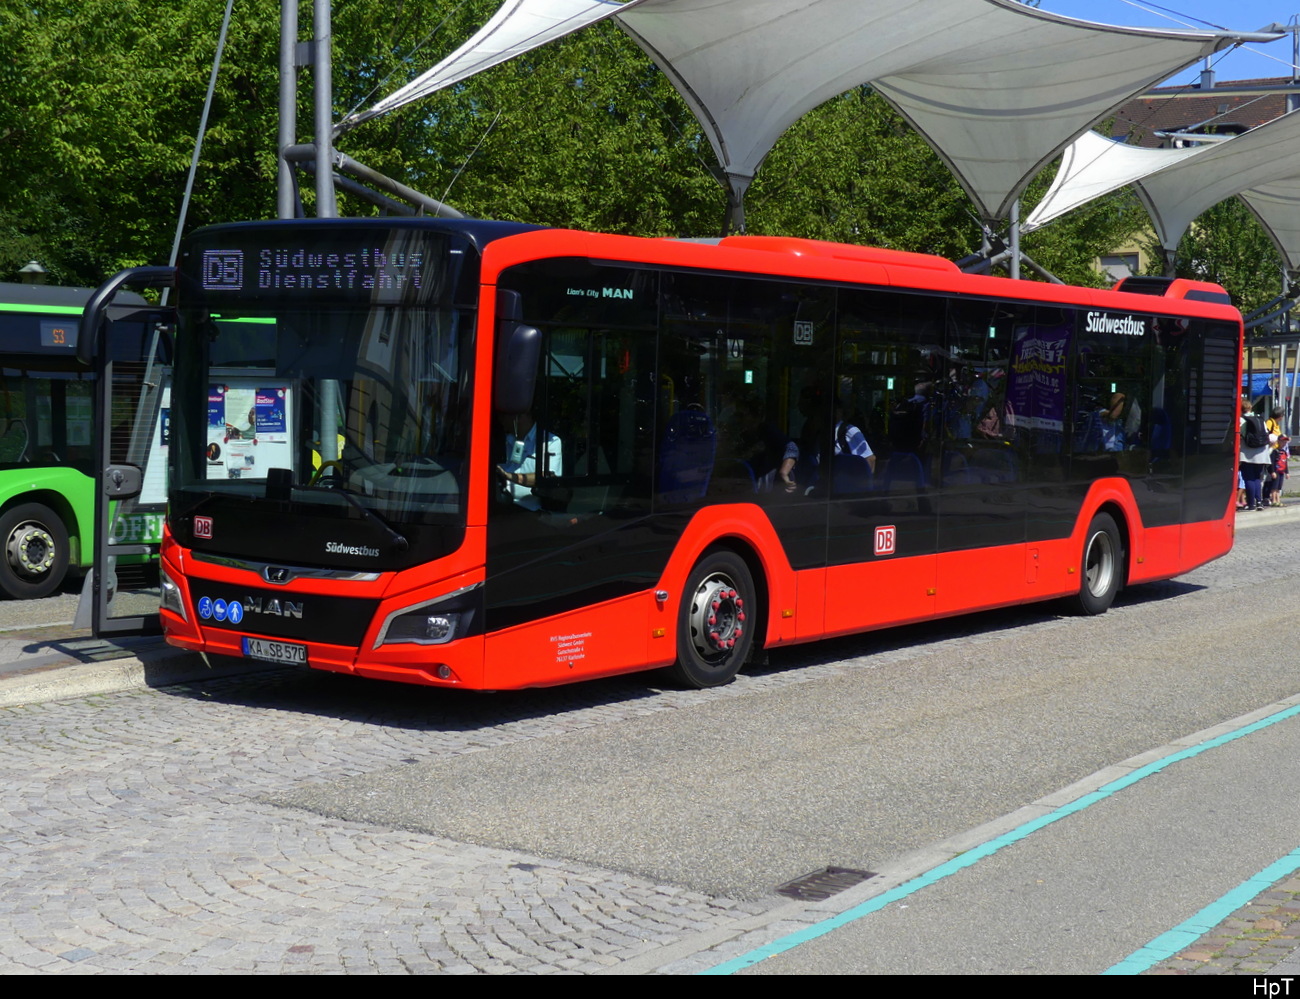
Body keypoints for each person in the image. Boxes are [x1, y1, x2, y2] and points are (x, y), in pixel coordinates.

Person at [496, 411, 562, 510]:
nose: (501, 420)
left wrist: (508, 476)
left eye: (505, 415)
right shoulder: (504, 439)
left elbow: (550, 478)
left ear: (521, 415)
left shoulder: (549, 441)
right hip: (501, 505)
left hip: (531, 511)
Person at [1239, 400, 1272, 512]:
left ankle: (1251, 504)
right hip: (1261, 453)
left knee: (1249, 478)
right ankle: (1259, 502)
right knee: (1257, 478)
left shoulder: (1241, 420)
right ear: (1251, 408)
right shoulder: (1260, 419)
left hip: (1247, 454)